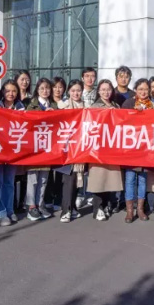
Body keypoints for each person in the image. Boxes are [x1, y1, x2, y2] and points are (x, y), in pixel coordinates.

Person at [87, 80, 124, 221]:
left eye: (108, 89)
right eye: (102, 89)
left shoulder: (116, 106)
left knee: (110, 178)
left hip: (112, 147)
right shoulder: (94, 106)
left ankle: (107, 204)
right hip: (98, 148)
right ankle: (98, 207)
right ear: (98, 91)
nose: (105, 92)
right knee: (98, 178)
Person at [121, 78, 154, 222]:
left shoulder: (153, 106)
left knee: (142, 180)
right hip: (131, 148)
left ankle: (140, 209)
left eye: (146, 89)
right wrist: (133, 112)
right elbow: (121, 121)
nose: (143, 92)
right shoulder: (128, 103)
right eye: (140, 89)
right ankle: (130, 211)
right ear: (135, 90)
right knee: (130, 179)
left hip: (146, 148)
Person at [0, 80, 24, 226]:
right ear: (2, 92)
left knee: (9, 182)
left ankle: (9, 210)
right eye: (8, 91)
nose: (11, 94)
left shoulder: (21, 107)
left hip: (14, 149)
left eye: (14, 91)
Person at [25, 78, 57, 221]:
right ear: (37, 90)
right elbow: (28, 123)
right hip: (34, 147)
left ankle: (40, 203)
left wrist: (53, 114)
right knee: (33, 178)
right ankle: (31, 206)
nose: (45, 91)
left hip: (48, 146)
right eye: (42, 88)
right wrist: (43, 114)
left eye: (47, 88)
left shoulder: (54, 105)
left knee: (44, 178)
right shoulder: (31, 105)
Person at [56, 79, 86, 223]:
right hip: (67, 149)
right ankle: (65, 210)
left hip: (81, 148)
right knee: (68, 180)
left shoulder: (86, 107)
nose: (76, 93)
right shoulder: (63, 106)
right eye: (73, 90)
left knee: (77, 179)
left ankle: (73, 207)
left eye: (78, 90)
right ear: (68, 91)